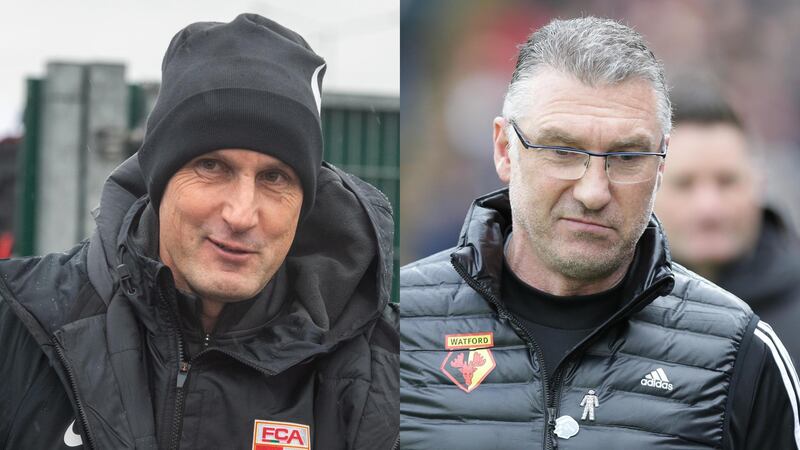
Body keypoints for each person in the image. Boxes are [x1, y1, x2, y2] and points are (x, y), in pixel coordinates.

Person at [0, 14, 398, 450]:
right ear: (159, 179)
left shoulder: (390, 367)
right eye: (211, 167)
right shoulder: (19, 321)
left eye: (275, 178)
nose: (242, 213)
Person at [399, 17, 799, 450]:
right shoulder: (395, 325)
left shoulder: (740, 351)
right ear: (504, 150)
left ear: (660, 166)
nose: (593, 191)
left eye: (627, 157)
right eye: (562, 151)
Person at [655, 82, 800, 368]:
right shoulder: (611, 310)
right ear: (650, 189)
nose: (709, 207)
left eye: (727, 181)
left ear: (760, 182)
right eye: (685, 184)